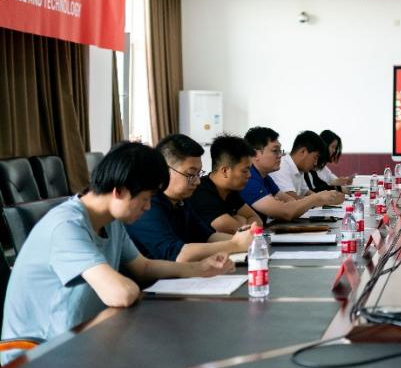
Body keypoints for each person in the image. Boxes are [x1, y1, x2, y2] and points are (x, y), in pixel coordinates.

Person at [1, 142, 234, 356]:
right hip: (37, 354)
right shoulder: (66, 226)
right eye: (145, 198)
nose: (148, 207)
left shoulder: (111, 221)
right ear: (119, 191)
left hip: (84, 338)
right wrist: (132, 287)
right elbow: (120, 294)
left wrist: (199, 268)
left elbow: (143, 266)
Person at [126, 134, 256, 262]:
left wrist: (249, 240)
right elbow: (177, 254)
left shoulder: (181, 201)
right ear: (164, 170)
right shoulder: (147, 205)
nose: (198, 181)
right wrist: (235, 245)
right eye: (191, 174)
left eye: (199, 174)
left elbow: (208, 237)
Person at [241, 127, 343, 223]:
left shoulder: (265, 177)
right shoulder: (249, 179)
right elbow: (286, 212)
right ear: (255, 154)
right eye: (275, 151)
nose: (280, 155)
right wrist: (317, 198)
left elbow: (290, 201)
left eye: (280, 151)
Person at [191, 135, 263, 233]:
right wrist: (241, 220)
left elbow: (256, 219)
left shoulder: (230, 190)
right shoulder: (201, 193)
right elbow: (235, 231)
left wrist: (240, 221)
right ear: (225, 171)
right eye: (245, 171)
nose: (249, 175)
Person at [271, 130, 339, 196]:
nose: (315, 163)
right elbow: (292, 199)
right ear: (303, 152)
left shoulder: (299, 169)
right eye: (315, 158)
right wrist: (322, 199)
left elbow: (306, 192)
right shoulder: (282, 166)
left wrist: (325, 198)